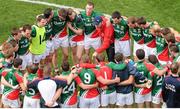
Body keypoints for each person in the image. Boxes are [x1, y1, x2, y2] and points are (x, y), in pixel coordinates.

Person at [51, 8, 68, 73]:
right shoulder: (53, 15)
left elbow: (75, 12)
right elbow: (40, 16)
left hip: (64, 37)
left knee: (66, 54)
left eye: (65, 18)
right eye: (62, 17)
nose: (64, 19)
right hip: (55, 37)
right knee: (55, 54)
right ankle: (56, 68)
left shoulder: (66, 15)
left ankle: (63, 67)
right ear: (59, 15)